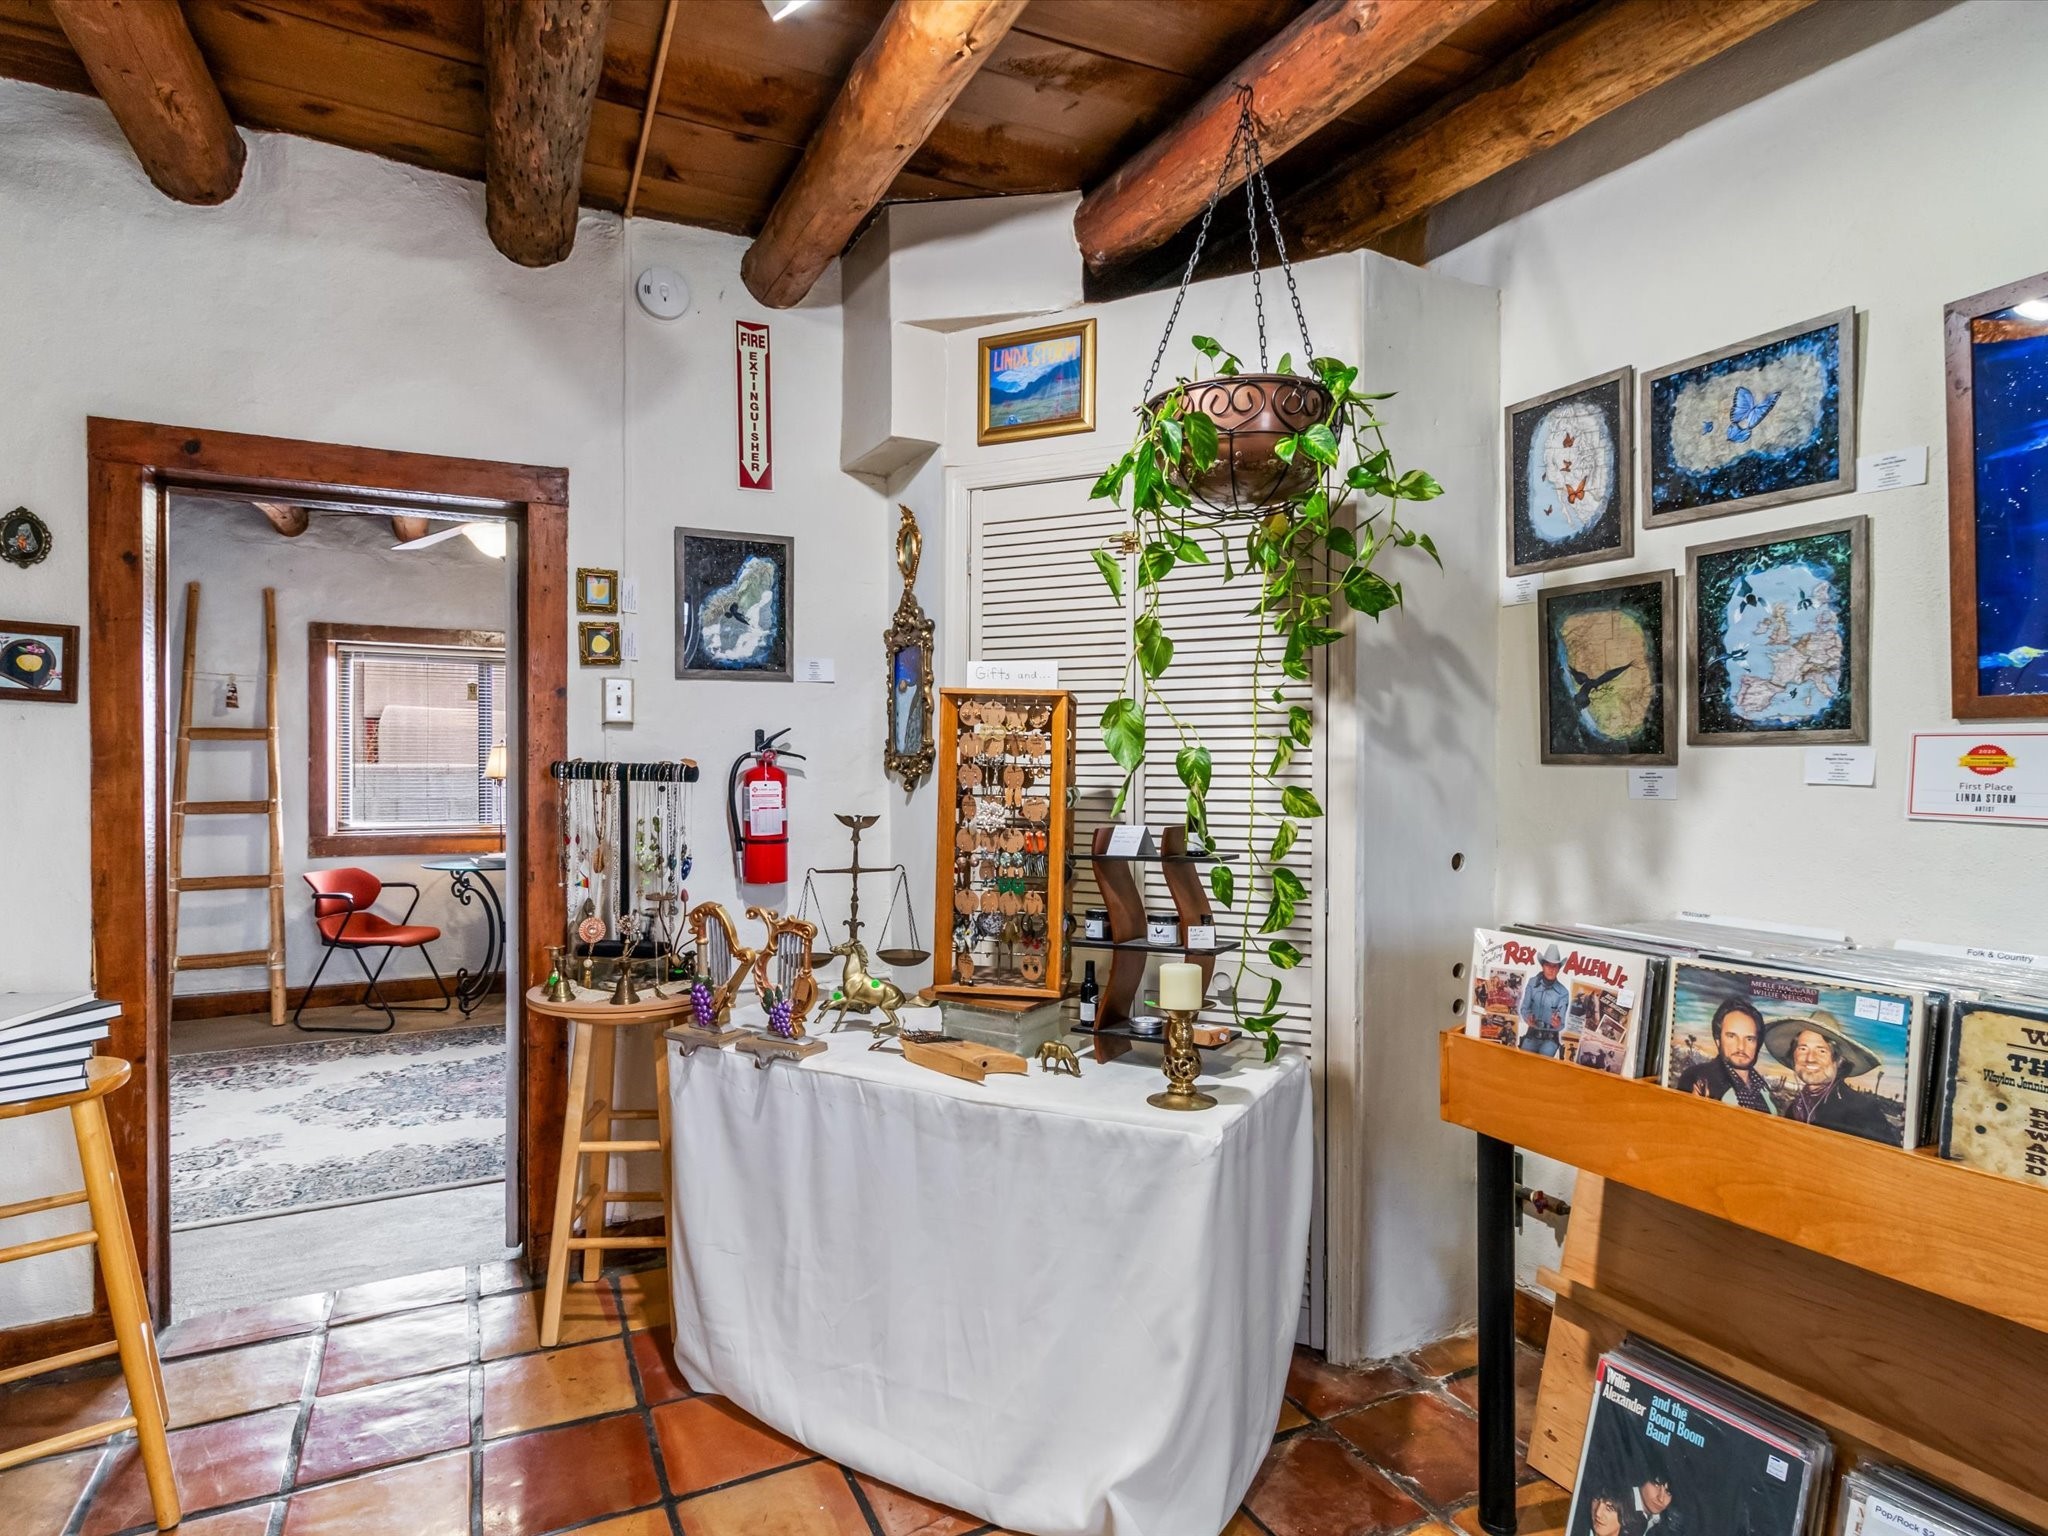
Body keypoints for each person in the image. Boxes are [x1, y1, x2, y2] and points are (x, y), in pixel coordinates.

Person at [1762, 1011, 1900, 1145]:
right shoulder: (1796, 1106)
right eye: (1803, 1049)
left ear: (1839, 1061)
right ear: (1793, 1056)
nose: (1810, 1058)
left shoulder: (1862, 1110)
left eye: (1821, 1051)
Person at [1674, 999, 1779, 1114]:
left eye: (1749, 1039)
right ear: (1718, 1040)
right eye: (1731, 1036)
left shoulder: (1762, 1088)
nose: (1741, 1047)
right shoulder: (1699, 1077)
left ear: (1757, 1044)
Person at [1517, 944, 1570, 1057]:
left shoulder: (1563, 992)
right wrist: (1528, 1018)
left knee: (1544, 1061)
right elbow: (1524, 1008)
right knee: (1522, 1059)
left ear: (1558, 969)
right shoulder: (1532, 983)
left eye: (1554, 966)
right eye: (1548, 965)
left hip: (1550, 1039)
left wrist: (1557, 1024)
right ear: (1543, 966)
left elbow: (1561, 1023)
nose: (1551, 969)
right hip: (1532, 1035)